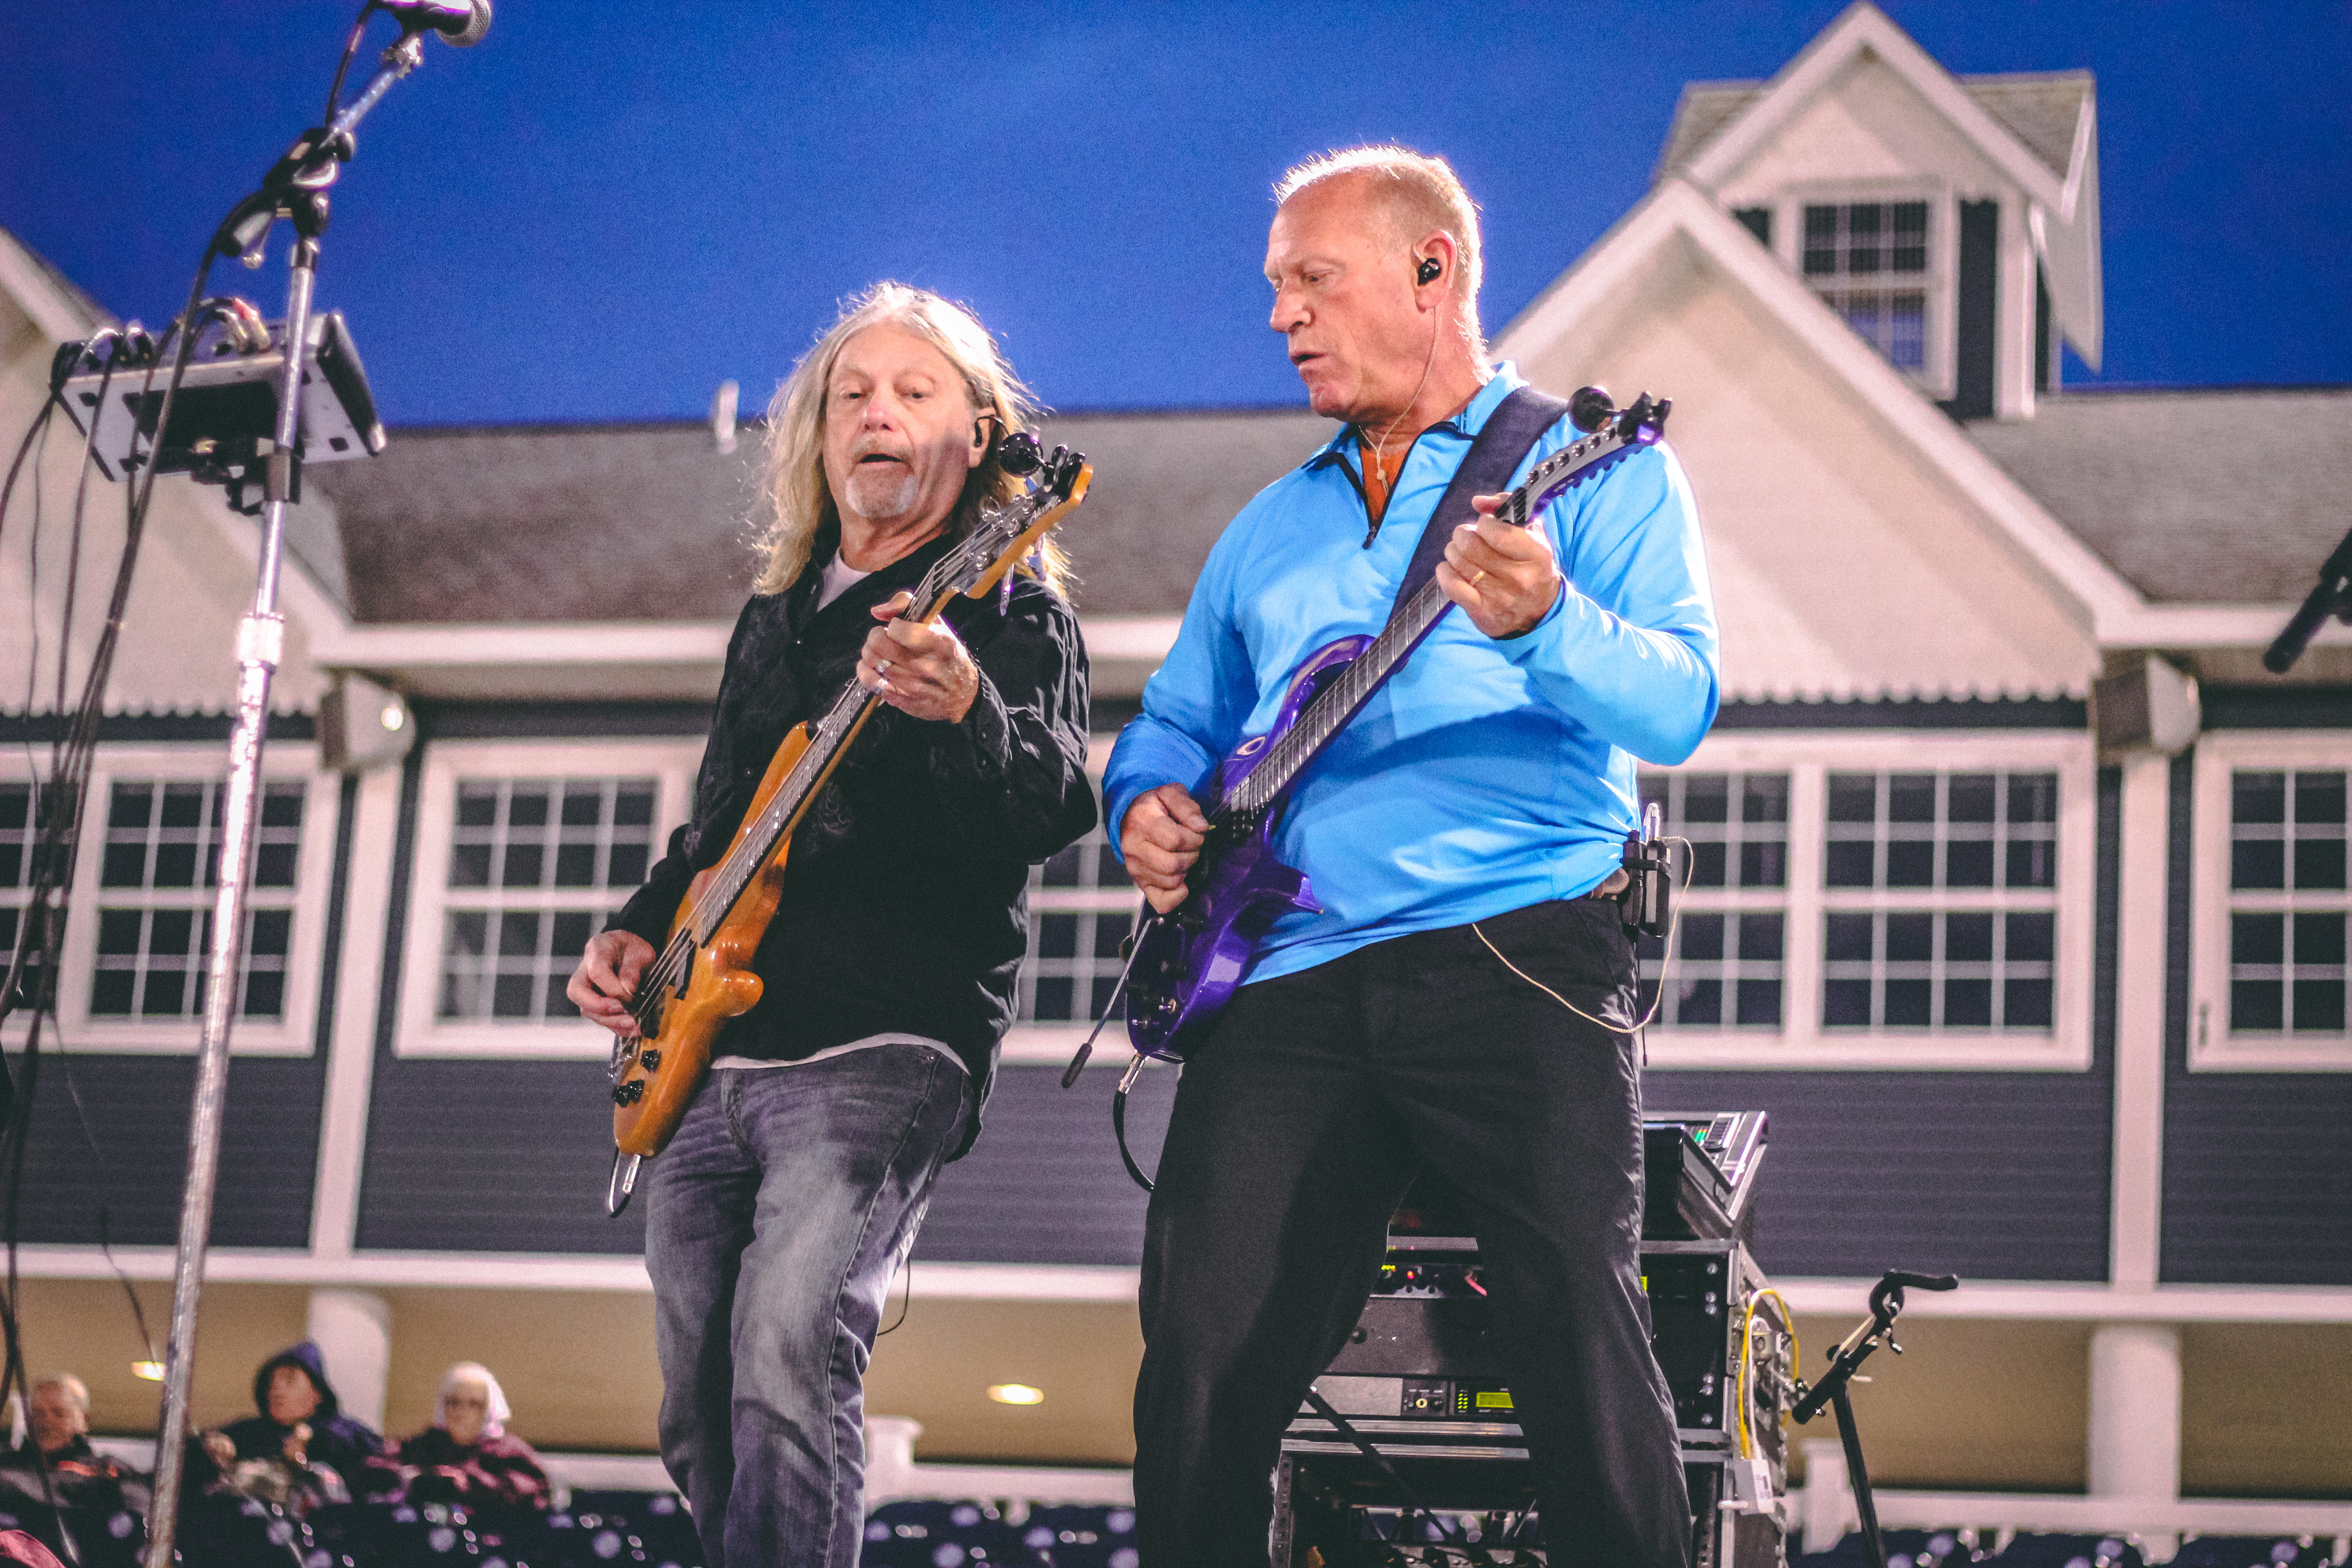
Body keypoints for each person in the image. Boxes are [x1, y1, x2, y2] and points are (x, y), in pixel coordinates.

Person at [1107, 146, 1719, 1565]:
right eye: (1277, 289)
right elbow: (1177, 725)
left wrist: (1547, 623)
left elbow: (1678, 703)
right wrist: (1146, 802)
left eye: (1313, 280)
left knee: (1576, 1313)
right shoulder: (1269, 525)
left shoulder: (1599, 469)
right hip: (1293, 975)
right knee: (1198, 1347)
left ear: (1431, 272)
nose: (1282, 316)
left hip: (1518, 946)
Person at [567, 282, 1095, 1568]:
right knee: (696, 1407)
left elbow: (1057, 802)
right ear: (816, 436)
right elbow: (721, 821)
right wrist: (643, 930)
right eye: (852, 393)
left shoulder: (1007, 610)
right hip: (709, 1048)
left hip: (883, 1043)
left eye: (915, 391)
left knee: (790, 1351)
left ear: (976, 437)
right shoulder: (776, 616)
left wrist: (963, 707)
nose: (878, 413)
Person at [204, 1342, 397, 1505]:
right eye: (271, 1383)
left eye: (289, 1380)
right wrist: (214, 1446)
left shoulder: (344, 1431)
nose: (276, 1390)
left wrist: (312, 1441)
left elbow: (372, 1456)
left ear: (317, 1394)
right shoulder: (248, 1431)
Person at [397, 1363, 550, 1509]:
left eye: (474, 1404)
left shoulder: (509, 1451)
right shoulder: (423, 1445)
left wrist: (469, 1484)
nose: (462, 1411)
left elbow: (536, 1493)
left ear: (489, 1408)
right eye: (454, 1402)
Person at [0, 1374, 141, 1514]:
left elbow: (143, 1523)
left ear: (84, 1419)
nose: (46, 1423)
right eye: (38, 1413)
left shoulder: (111, 1473)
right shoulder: (5, 1465)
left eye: (59, 1413)